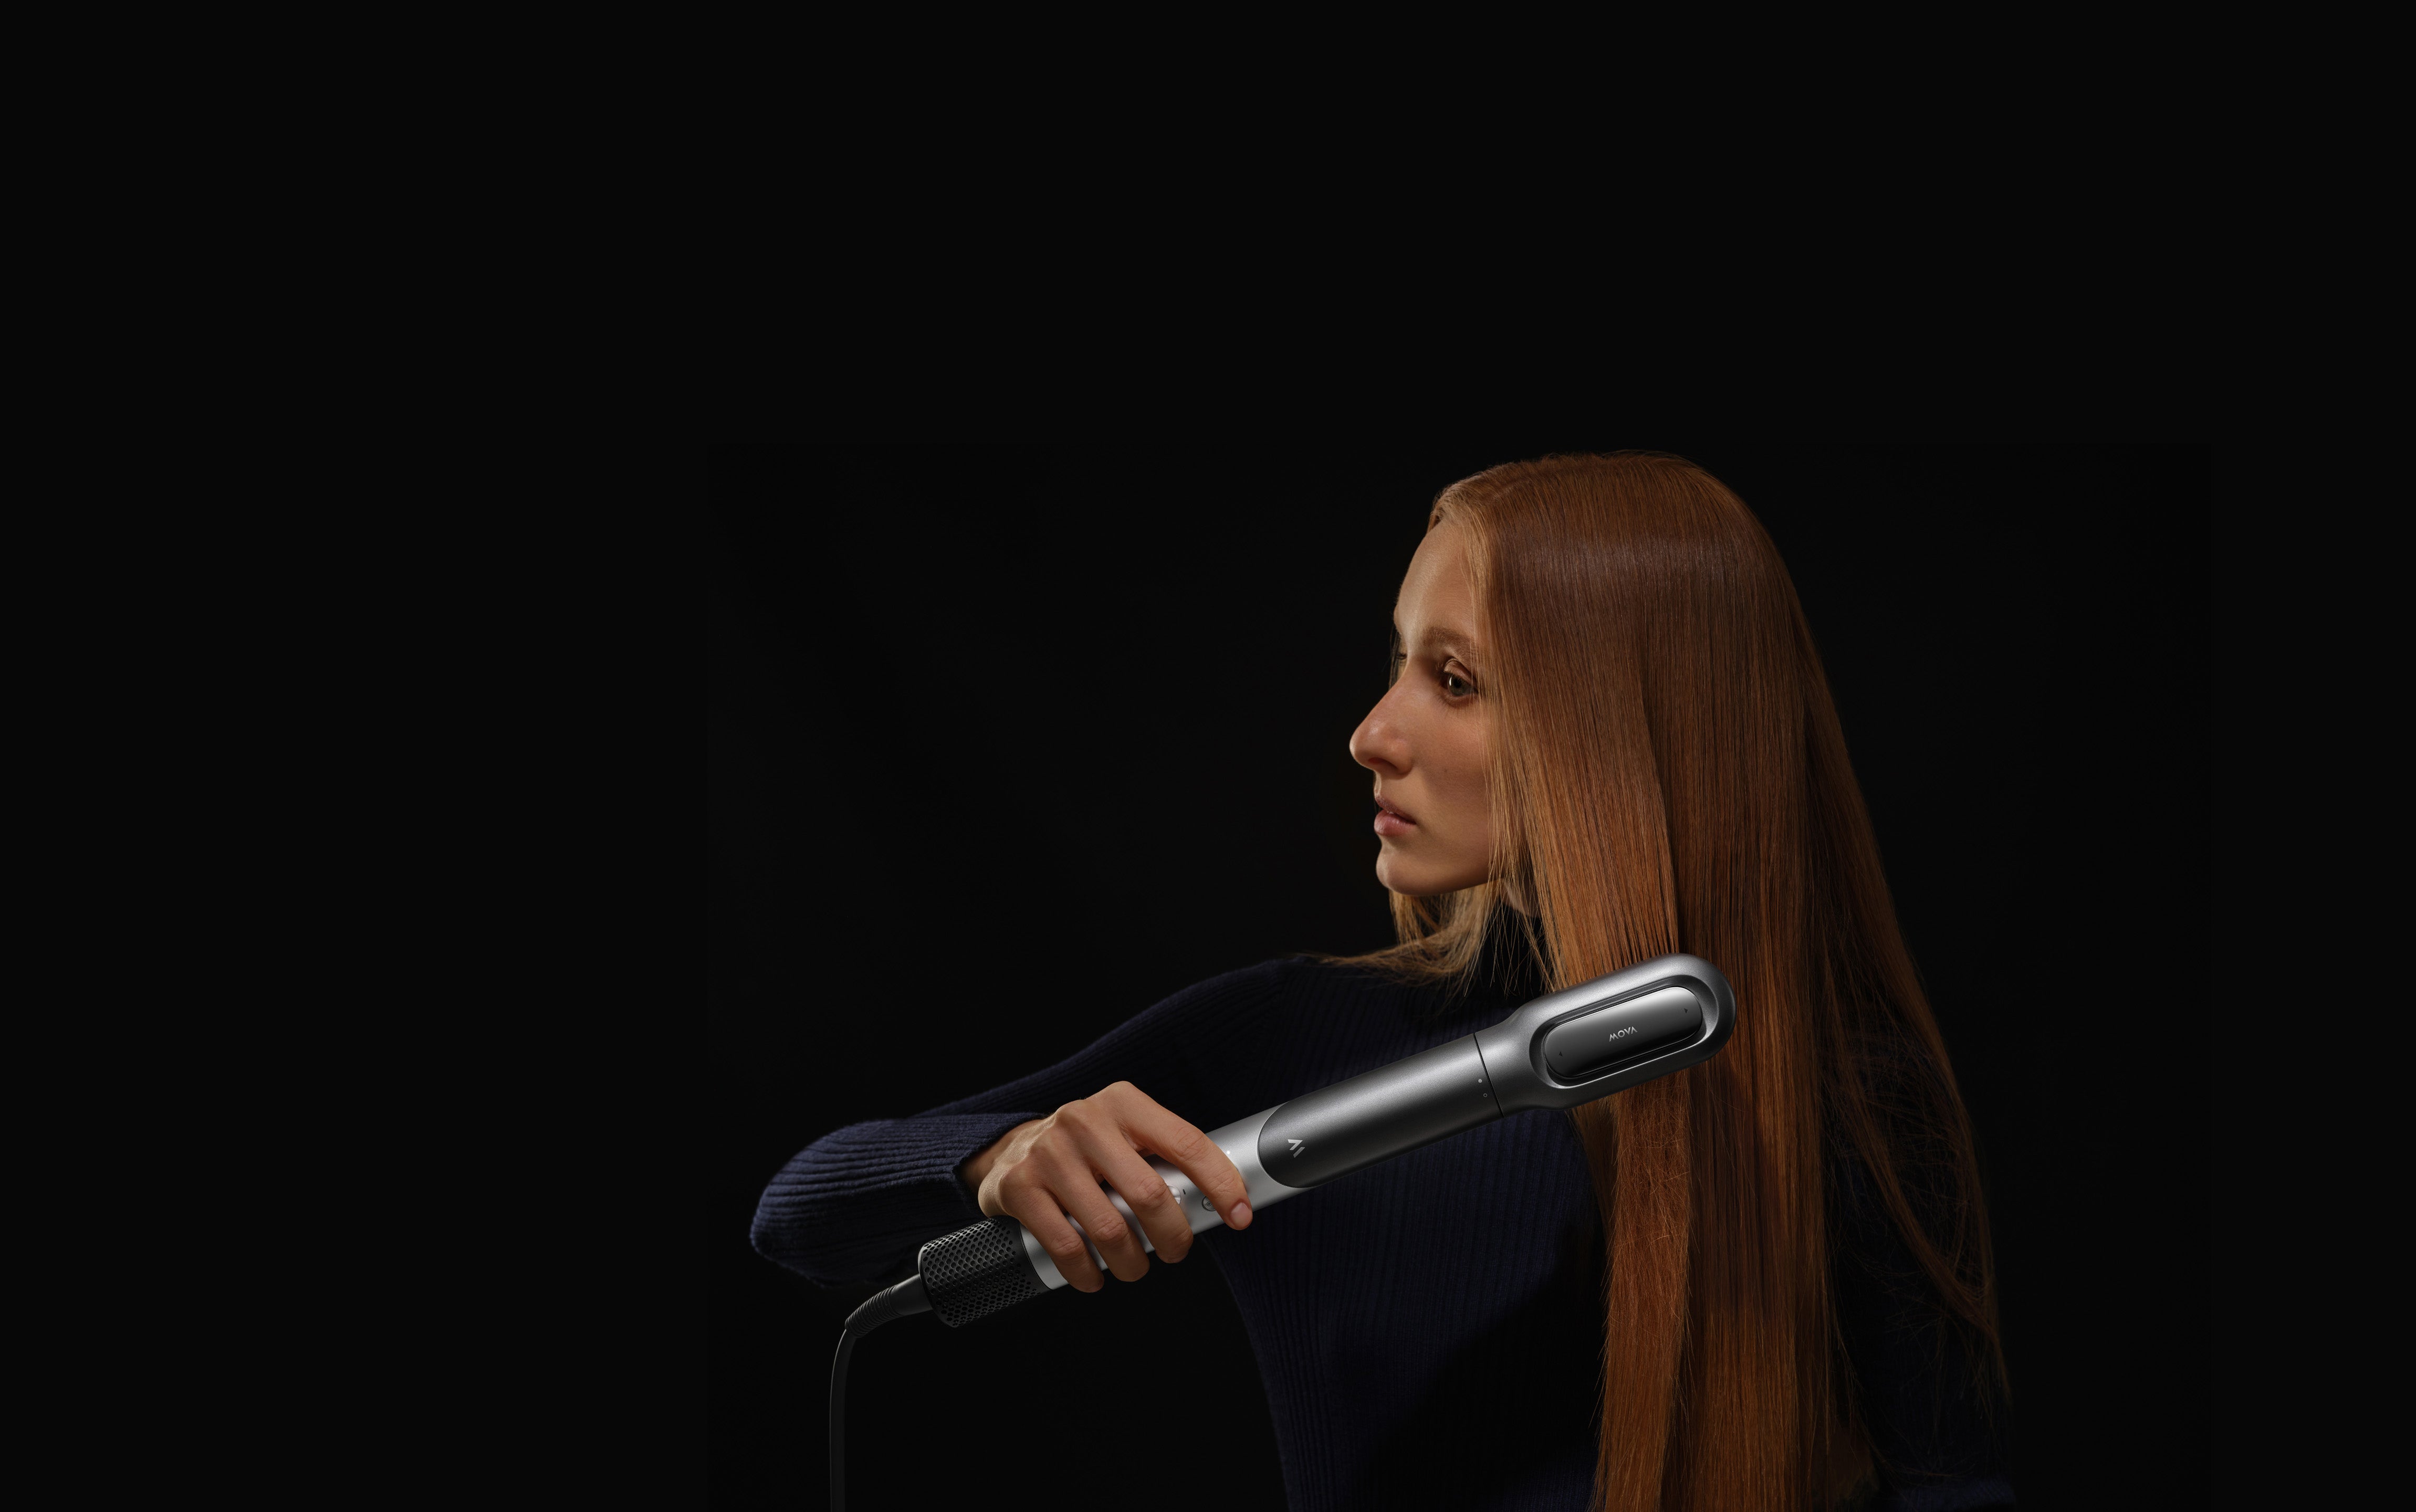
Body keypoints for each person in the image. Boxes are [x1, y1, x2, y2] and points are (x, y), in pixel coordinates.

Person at [752, 454, 2013, 1510]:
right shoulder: (1287, 1038)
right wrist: (997, 1157)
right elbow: (800, 1213)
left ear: (1624, 729)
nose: (1371, 734)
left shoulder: (1849, 1098)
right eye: (1399, 661)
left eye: (1453, 681)